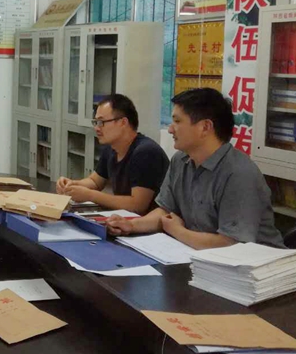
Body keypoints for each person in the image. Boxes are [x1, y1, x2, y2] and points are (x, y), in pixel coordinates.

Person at [107, 88, 285, 249]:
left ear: (205, 127)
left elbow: (231, 244)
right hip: (199, 257)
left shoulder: (239, 173)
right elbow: (165, 211)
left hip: (256, 268)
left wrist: (178, 231)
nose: (170, 129)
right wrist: (131, 225)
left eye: (177, 121)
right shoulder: (180, 160)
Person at [56, 94, 169, 214]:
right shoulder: (111, 148)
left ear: (123, 122)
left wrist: (90, 195)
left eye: (101, 122)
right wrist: (72, 185)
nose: (97, 128)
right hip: (124, 219)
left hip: (149, 222)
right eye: (96, 122)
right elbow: (95, 182)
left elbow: (138, 205)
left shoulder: (146, 152)